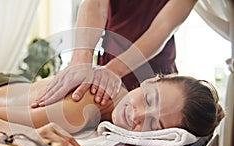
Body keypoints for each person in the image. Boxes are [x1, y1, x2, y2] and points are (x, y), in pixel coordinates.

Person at [0, 74, 225, 146]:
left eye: (154, 125)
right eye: (149, 100)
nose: (137, 114)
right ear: (150, 80)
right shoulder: (81, 110)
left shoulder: (110, 100)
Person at [32, 0, 198, 108]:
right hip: (107, 67)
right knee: (75, 107)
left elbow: (162, 28)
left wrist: (114, 70)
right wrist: (80, 60)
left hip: (154, 79)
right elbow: (95, 5)